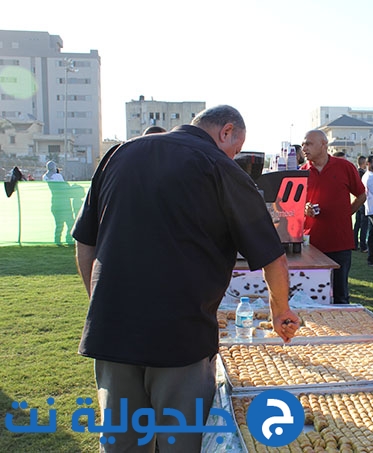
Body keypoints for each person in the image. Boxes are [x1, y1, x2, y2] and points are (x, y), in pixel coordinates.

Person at [72, 104, 300, 452]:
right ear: (226, 132)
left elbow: (85, 241)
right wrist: (281, 309)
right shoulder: (219, 167)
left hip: (112, 329)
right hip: (179, 335)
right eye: (236, 149)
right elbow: (272, 256)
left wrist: (98, 300)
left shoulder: (119, 155)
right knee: (180, 441)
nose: (235, 157)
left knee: (123, 442)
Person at [301, 130, 366, 304]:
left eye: (308, 144)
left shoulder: (344, 167)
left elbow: (361, 195)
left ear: (324, 144)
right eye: (303, 144)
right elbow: (293, 207)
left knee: (340, 295)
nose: (304, 148)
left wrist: (346, 213)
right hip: (311, 244)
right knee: (311, 296)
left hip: (339, 242)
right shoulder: (302, 172)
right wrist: (304, 209)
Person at [354, 155, 369, 252]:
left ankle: (354, 243)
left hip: (357, 201)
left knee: (357, 224)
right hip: (362, 202)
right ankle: (363, 245)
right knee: (364, 224)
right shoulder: (362, 174)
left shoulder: (356, 172)